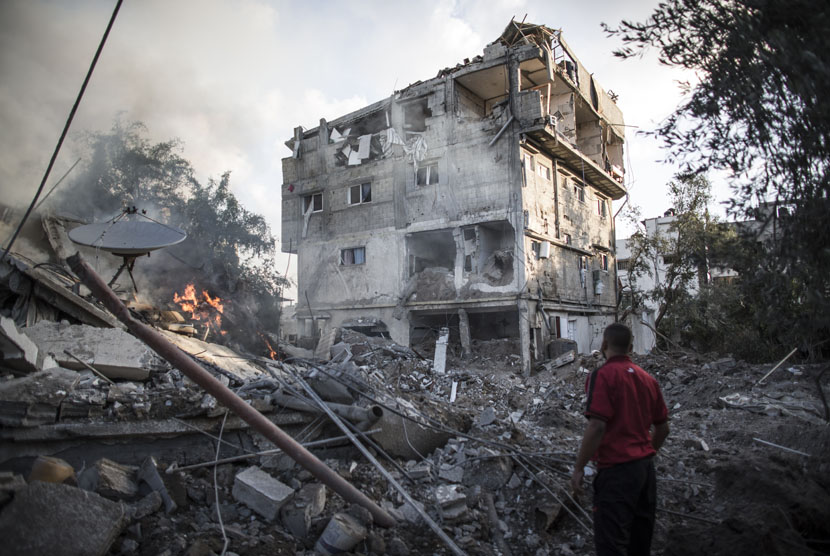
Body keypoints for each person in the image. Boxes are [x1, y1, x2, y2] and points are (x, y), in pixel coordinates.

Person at [570, 323, 670, 556]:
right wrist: (646, 454)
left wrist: (578, 468)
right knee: (639, 544)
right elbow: (663, 428)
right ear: (631, 348)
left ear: (604, 344)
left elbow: (597, 426)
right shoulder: (648, 379)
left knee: (611, 546)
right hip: (645, 474)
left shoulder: (602, 376)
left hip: (616, 474)